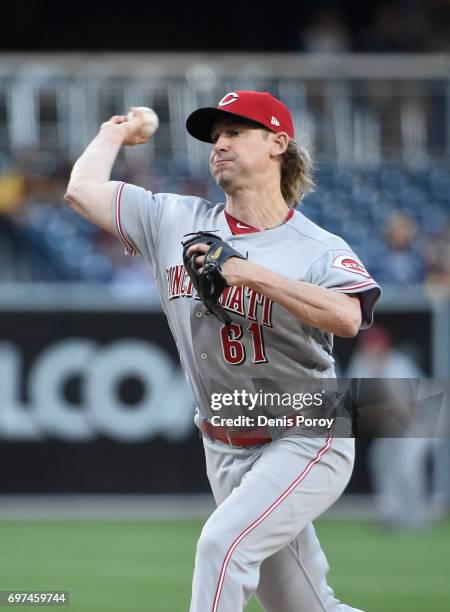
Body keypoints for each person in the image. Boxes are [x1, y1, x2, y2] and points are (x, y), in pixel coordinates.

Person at [65, 90, 381, 612]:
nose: (219, 145)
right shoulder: (171, 220)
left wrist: (246, 271)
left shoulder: (317, 247)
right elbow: (81, 191)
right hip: (225, 444)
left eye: (235, 132)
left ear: (279, 142)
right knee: (305, 607)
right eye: (215, 137)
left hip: (307, 430)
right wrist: (115, 132)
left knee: (221, 546)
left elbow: (349, 316)